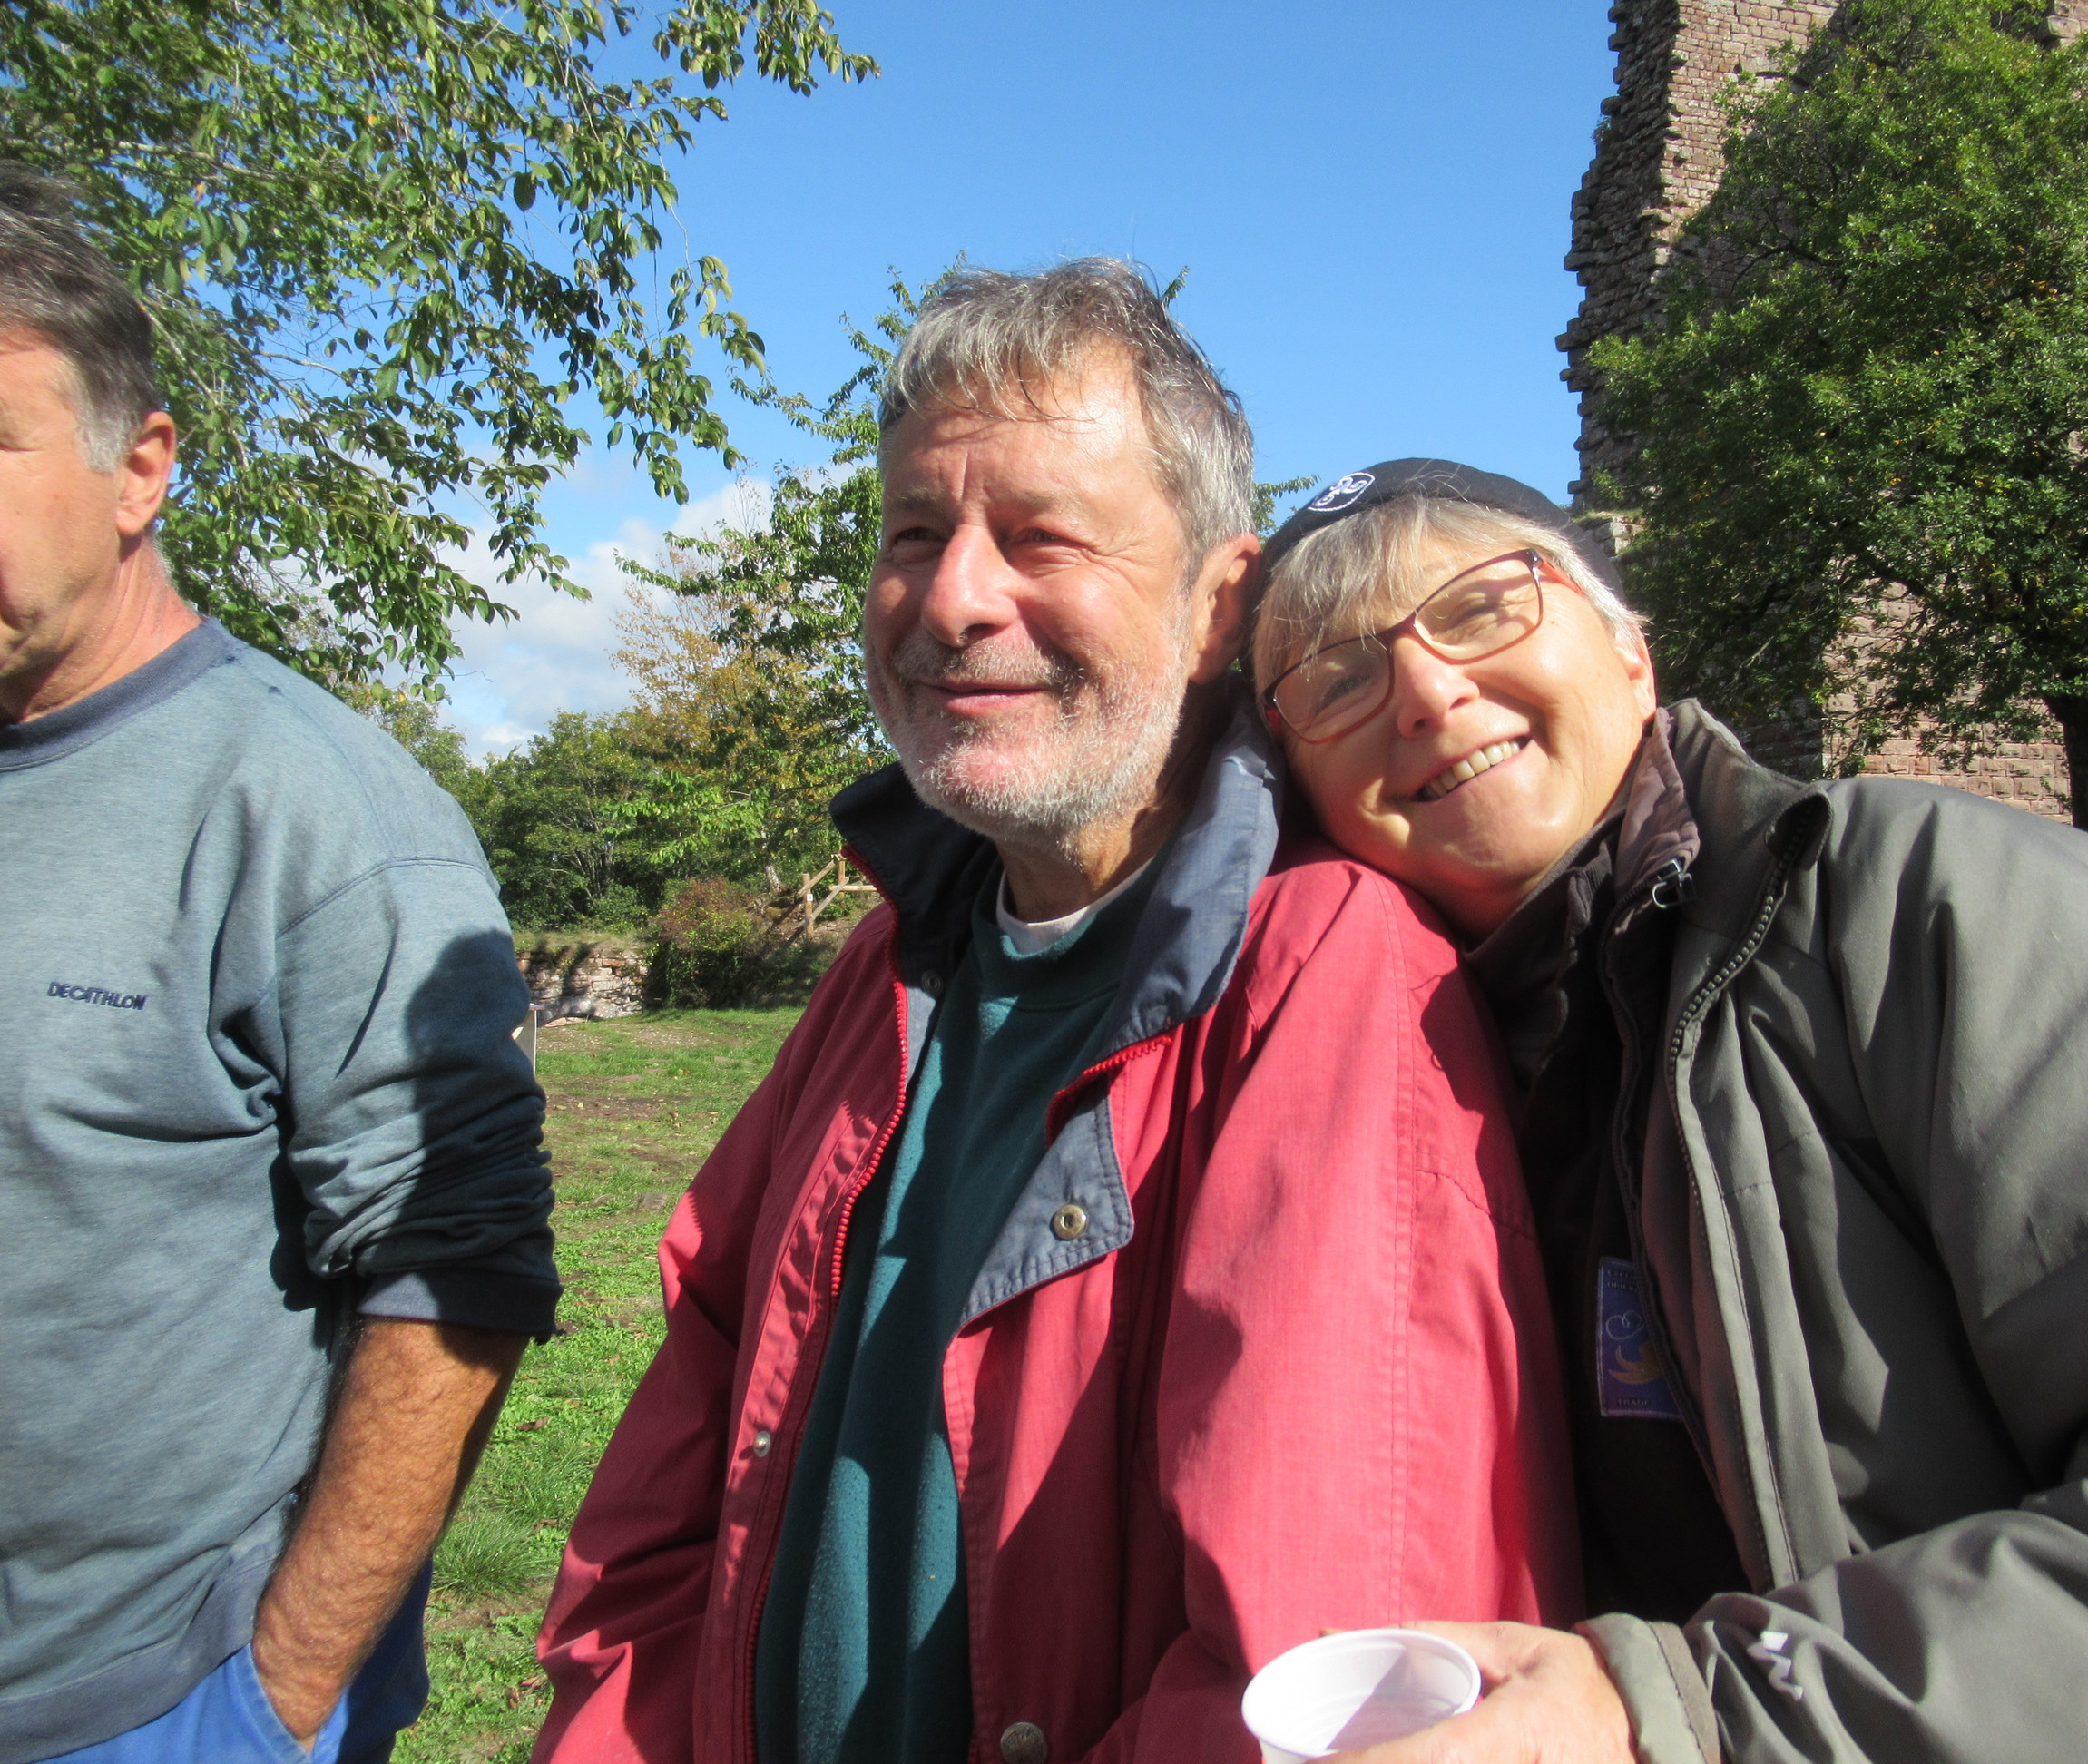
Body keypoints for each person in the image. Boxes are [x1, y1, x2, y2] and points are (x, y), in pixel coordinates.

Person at [533, 267, 1573, 1764]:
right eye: (914, 534)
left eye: (1043, 538)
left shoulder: (1320, 971)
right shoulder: (894, 962)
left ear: (1219, 606)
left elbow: (1322, 1675)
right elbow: (681, 1459)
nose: (954, 598)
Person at [1248, 458, 2088, 1763]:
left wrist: (1689, 1714)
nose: (1428, 691)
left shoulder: (1947, 914)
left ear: (1631, 654)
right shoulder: (1385, 1071)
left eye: (1484, 607)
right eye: (1336, 678)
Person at [0, 168, 560, 1764]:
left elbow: (457, 1262)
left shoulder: (309, 810)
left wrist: (272, 1702)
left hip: (143, 1701)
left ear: (139, 470)